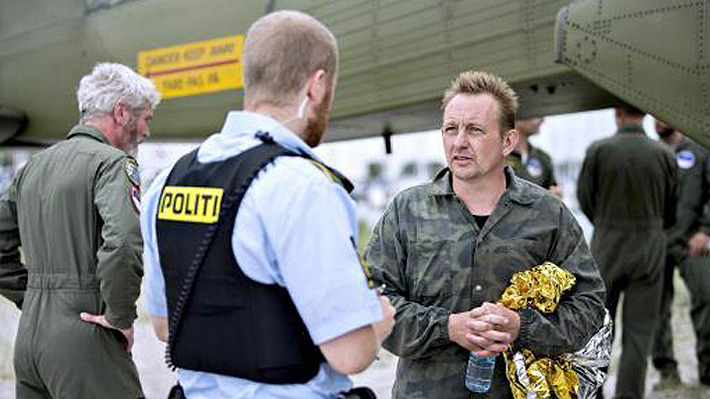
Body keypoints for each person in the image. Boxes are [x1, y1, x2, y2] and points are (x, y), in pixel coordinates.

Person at [141, 10, 395, 399]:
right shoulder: (300, 185)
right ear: (317, 85)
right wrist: (378, 321)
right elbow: (349, 353)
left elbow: (163, 325)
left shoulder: (168, 181)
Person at [364, 70, 606, 399]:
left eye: (475, 130)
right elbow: (372, 302)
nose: (459, 141)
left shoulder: (549, 215)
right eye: (451, 129)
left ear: (508, 141)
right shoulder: (406, 211)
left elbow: (589, 306)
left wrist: (523, 327)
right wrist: (448, 327)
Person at [0, 62, 159, 398]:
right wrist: (119, 316)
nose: (146, 131)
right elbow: (123, 244)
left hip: (29, 341)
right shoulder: (112, 164)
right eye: (145, 118)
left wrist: (30, 297)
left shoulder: (33, 168)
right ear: (120, 112)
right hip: (84, 336)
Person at [577, 104, 677, 399]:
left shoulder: (599, 151)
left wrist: (606, 223)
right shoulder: (664, 155)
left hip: (607, 247)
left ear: (617, 114)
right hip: (649, 249)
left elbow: (584, 198)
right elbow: (672, 209)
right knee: (639, 333)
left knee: (599, 330)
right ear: (645, 115)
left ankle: (593, 393)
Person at [651, 119, 710, 389]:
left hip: (691, 242)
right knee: (656, 311)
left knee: (706, 298)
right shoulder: (648, 152)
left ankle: (708, 370)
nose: (658, 120)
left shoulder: (699, 151)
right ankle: (667, 372)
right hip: (655, 244)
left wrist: (706, 231)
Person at [506, 117, 562, 197]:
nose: (542, 119)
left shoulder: (543, 157)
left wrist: (556, 195)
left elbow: (552, 189)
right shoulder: (497, 156)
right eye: (535, 114)